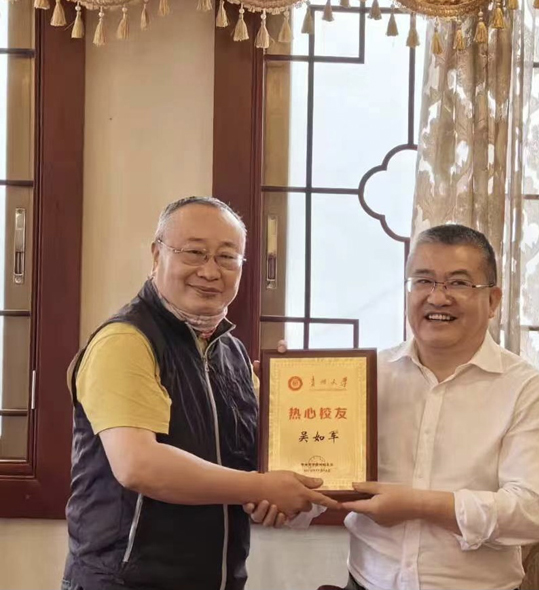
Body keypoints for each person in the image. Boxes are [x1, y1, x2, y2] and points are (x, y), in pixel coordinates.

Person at [62, 196, 338, 590]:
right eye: (194, 253)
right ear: (156, 254)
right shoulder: (126, 340)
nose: (210, 271)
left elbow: (251, 468)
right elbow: (138, 464)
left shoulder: (233, 355)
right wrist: (260, 487)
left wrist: (292, 402)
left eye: (227, 257)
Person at [310, 224, 539, 590]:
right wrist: (283, 496)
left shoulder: (527, 390)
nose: (438, 298)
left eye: (458, 283)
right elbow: (325, 476)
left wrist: (419, 505)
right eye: (423, 281)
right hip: (365, 582)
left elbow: (532, 512)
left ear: (493, 301)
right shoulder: (366, 377)